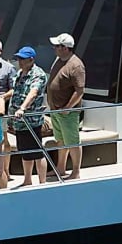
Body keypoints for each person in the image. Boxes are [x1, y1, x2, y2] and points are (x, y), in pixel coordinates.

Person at [44, 32, 86, 180]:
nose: (54, 48)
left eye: (57, 46)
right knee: (60, 139)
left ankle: (75, 171)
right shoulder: (59, 60)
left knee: (73, 141)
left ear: (65, 48)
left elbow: (80, 90)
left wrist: (68, 108)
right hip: (55, 109)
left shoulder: (76, 65)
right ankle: (60, 168)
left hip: (68, 112)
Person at [7, 45, 50, 186]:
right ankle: (27, 180)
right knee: (24, 151)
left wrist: (22, 108)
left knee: (37, 152)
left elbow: (33, 92)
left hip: (31, 120)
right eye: (19, 58)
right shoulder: (21, 73)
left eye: (23, 59)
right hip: (19, 121)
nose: (20, 61)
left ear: (31, 60)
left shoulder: (38, 74)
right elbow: (16, 91)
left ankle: (42, 182)